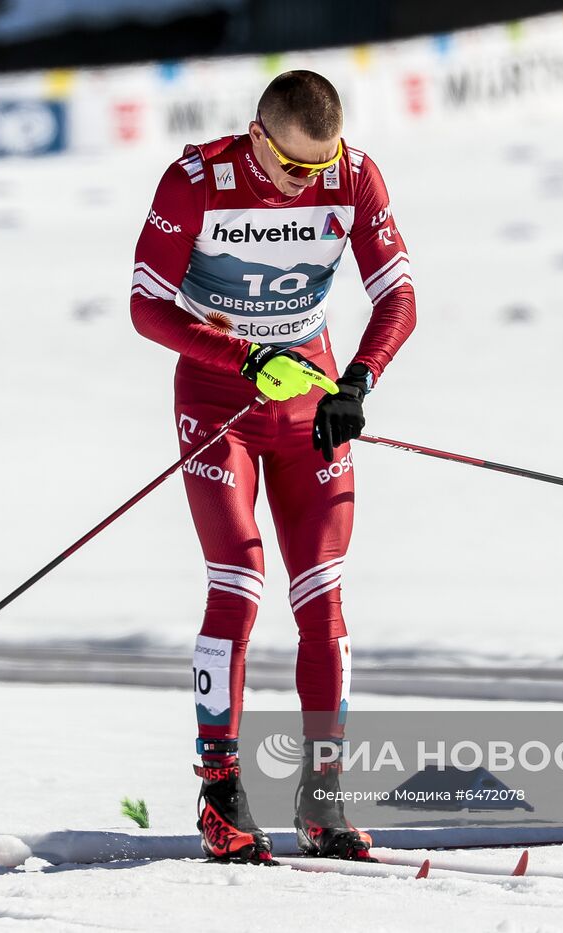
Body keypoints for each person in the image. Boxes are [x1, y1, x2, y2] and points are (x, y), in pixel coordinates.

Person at [130, 70, 416, 863]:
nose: (308, 182)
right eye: (294, 168)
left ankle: (322, 799)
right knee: (239, 583)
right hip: (220, 402)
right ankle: (220, 793)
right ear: (258, 135)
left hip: (308, 404)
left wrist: (358, 379)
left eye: (321, 166)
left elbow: (399, 294)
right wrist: (245, 356)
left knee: (322, 597)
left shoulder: (352, 176)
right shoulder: (198, 180)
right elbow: (147, 305)